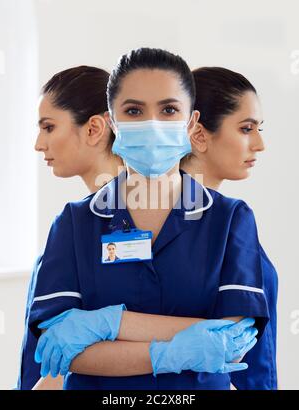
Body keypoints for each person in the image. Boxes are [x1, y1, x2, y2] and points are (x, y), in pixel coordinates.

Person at [29, 48, 267, 390]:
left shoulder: (230, 219)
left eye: (169, 109)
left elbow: (233, 338)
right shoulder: (74, 223)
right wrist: (182, 346)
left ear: (190, 123)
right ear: (112, 122)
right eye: (134, 110)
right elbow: (61, 351)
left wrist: (107, 324)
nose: (151, 123)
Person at [17, 65, 123, 390]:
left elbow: (66, 361)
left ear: (94, 129)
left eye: (49, 127)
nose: (38, 143)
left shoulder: (127, 221)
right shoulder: (80, 222)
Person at [181, 67, 278, 390]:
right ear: (199, 135)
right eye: (246, 128)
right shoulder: (224, 220)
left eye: (259, 128)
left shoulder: (228, 217)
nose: (259, 144)